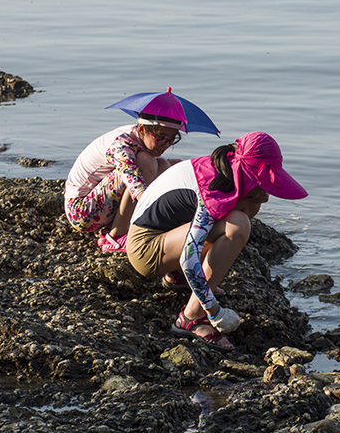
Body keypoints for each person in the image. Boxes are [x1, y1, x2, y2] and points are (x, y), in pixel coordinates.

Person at [126, 131, 307, 350]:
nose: (267, 196)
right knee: (238, 225)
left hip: (161, 236)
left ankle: (177, 278)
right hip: (145, 250)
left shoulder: (223, 169)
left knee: (236, 218)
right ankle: (191, 318)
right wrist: (214, 310)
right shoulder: (212, 190)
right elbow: (188, 259)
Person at [64, 115, 183, 252]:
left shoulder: (138, 137)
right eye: (160, 138)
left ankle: (113, 228)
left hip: (98, 204)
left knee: (165, 165)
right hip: (81, 211)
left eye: (172, 139)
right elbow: (135, 184)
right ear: (142, 128)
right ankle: (116, 236)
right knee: (147, 162)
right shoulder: (121, 144)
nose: (166, 144)